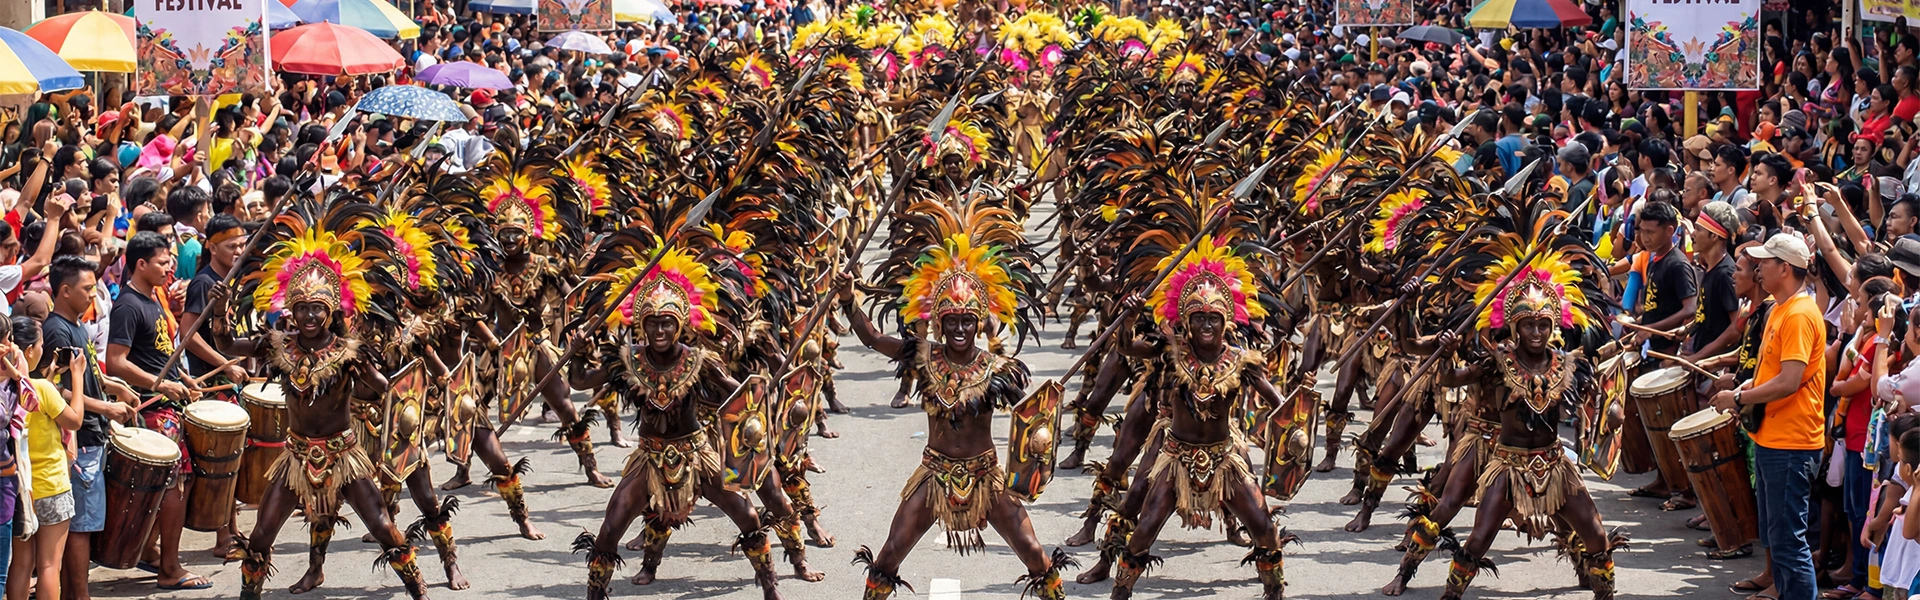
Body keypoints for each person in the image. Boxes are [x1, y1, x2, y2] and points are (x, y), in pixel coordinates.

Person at [838, 197, 1070, 600]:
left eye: (966, 320)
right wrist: (847, 299)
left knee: (1034, 553)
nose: (959, 328)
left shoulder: (998, 369)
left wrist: (1042, 435)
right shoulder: (922, 356)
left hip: (986, 477)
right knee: (889, 555)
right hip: (934, 474)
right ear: (939, 322)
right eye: (951, 321)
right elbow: (873, 338)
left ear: (978, 323)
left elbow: (1032, 421)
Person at [208, 197, 428, 600]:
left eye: (317, 310)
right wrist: (221, 313)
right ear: (291, 310)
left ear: (331, 312)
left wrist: (406, 406)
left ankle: (418, 589)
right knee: (260, 536)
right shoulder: (277, 345)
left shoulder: (348, 353)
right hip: (295, 457)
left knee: (383, 527)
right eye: (303, 309)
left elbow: (387, 388)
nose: (309, 317)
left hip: (344, 455)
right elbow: (227, 344)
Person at [569, 237, 786, 600]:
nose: (659, 331)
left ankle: (770, 587)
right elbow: (579, 382)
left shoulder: (699, 360)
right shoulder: (626, 359)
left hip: (697, 455)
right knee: (610, 528)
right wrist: (577, 354)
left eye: (667, 324)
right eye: (653, 323)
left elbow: (740, 394)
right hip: (649, 458)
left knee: (748, 516)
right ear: (642, 325)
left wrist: (762, 393)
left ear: (680, 324)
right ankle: (594, 595)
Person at [1711, 233, 1831, 600]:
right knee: (1778, 539)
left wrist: (1739, 397)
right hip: (1773, 438)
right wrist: (1747, 382)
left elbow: (1790, 381)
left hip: (1791, 443)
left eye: (1765, 262)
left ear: (1785, 269)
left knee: (1789, 543)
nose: (1758, 268)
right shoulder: (1779, 308)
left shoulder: (1798, 314)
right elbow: (1776, 372)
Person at [103, 230, 203, 590]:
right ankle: (170, 569)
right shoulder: (128, 305)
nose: (169, 268)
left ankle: (151, 549)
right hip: (151, 409)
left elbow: (161, 352)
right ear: (141, 264)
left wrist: (183, 378)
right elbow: (115, 361)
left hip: (167, 402)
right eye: (162, 262)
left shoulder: (153, 297)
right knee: (175, 485)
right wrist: (160, 384)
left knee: (182, 482)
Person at [7, 317, 81, 600]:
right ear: (28, 352)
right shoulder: (43, 389)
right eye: (40, 345)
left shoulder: (8, 388)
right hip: (52, 487)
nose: (43, 350)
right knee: (50, 565)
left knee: (21, 563)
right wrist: (76, 375)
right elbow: (74, 420)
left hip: (22, 490)